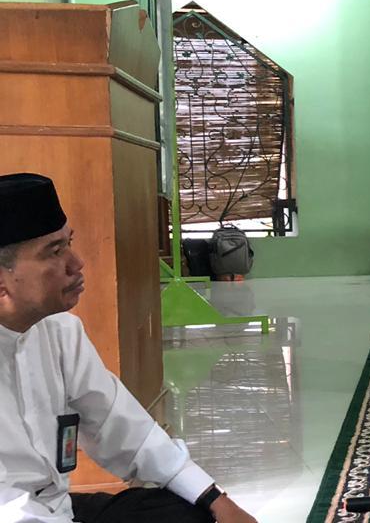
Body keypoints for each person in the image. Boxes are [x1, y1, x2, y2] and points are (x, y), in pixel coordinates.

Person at [0, 173, 256, 522]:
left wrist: (215, 499)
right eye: (55, 252)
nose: (76, 263)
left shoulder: (60, 331)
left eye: (69, 243)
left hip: (57, 509)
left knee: (189, 513)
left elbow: (120, 426)